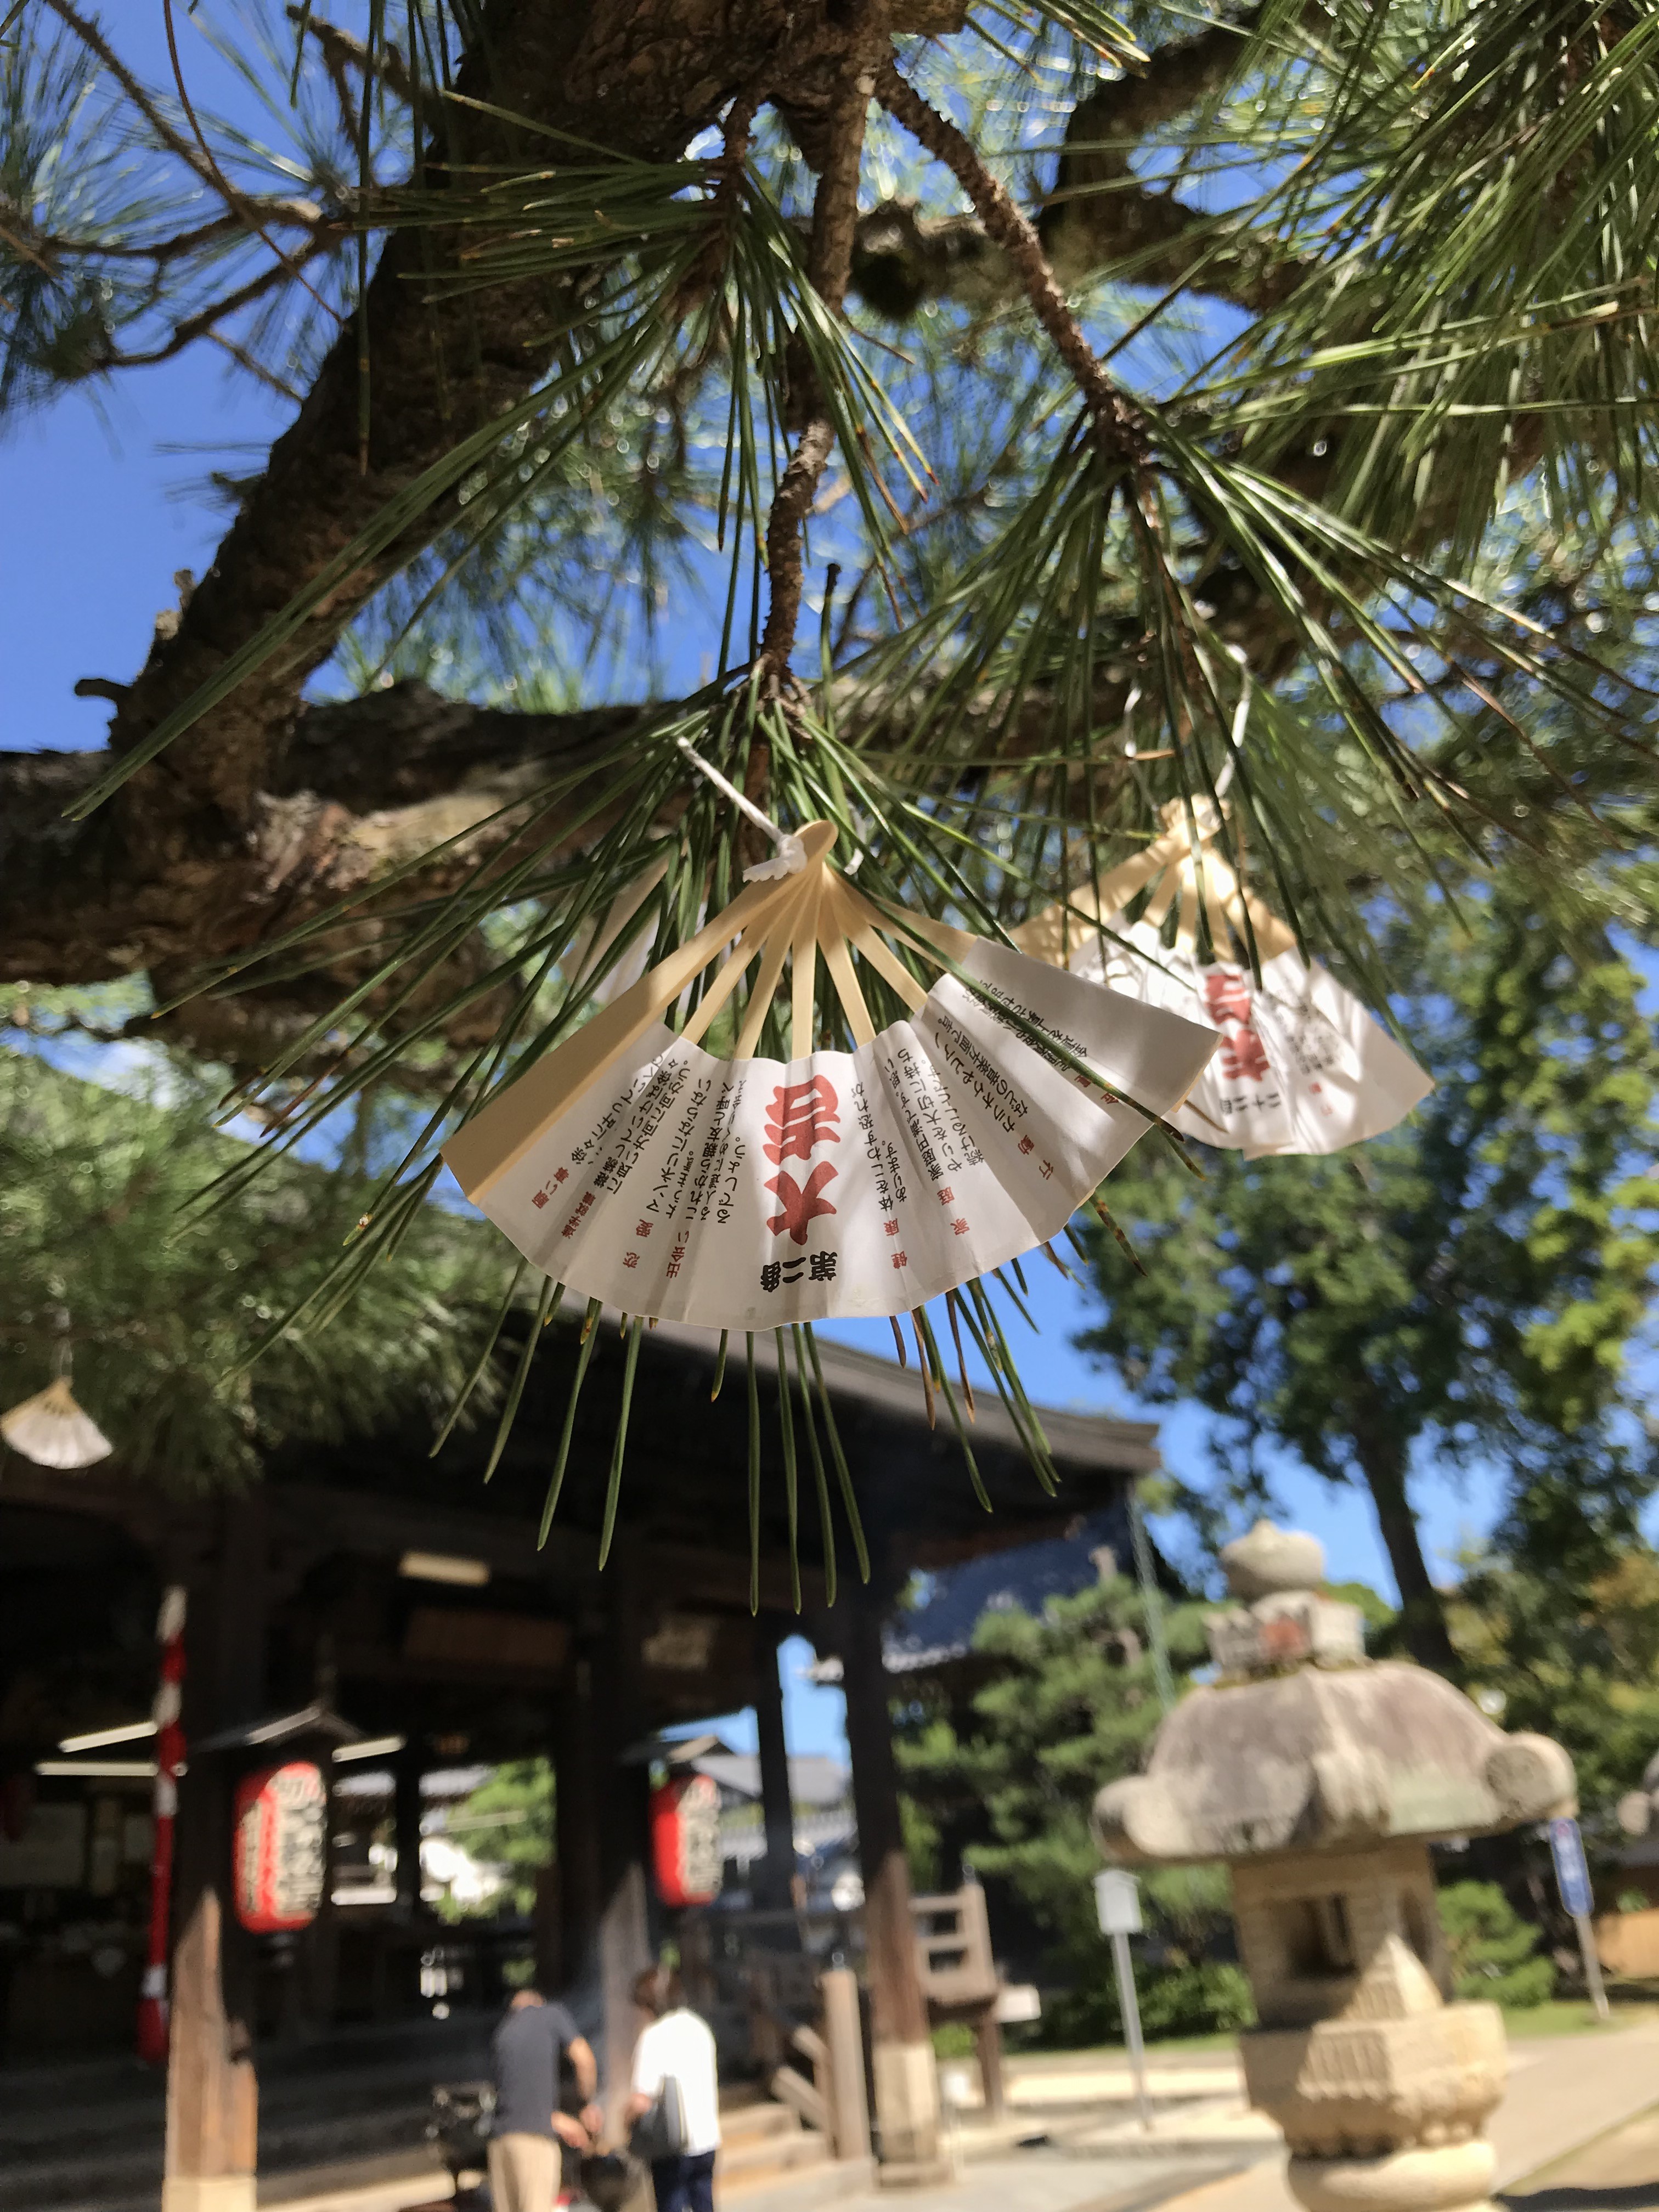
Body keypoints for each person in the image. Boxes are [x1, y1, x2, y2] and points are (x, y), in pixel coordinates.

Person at [488, 1982, 603, 2212]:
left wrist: (558, 2119)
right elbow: (585, 2060)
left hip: (500, 2143)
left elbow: (517, 2098)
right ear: (538, 2002)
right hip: (534, 2144)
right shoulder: (551, 2014)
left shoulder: (502, 2032)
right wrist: (587, 2103)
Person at [625, 1966, 721, 2212]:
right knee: (705, 2204)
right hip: (707, 2137)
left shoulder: (654, 2037)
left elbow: (641, 2100)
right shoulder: (699, 2027)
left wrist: (625, 2120)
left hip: (671, 2143)